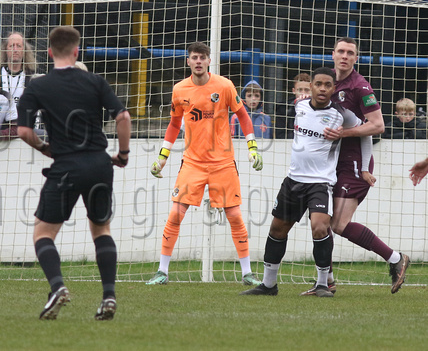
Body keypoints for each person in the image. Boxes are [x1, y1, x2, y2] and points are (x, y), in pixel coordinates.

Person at [17, 26, 131, 321]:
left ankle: (57, 287)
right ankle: (108, 296)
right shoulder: (95, 81)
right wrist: (123, 154)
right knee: (101, 230)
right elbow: (123, 117)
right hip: (98, 164)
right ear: (77, 51)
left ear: (49, 52)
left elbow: (24, 131)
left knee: (43, 232)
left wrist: (44, 148)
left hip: (65, 165)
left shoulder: (38, 86)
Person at [240, 67, 372, 297]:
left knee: (320, 227)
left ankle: (323, 284)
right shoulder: (298, 105)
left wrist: (363, 167)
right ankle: (268, 285)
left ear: (333, 89)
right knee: (278, 229)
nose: (322, 88)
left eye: (327, 85)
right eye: (318, 84)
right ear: (310, 86)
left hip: (321, 183)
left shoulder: (342, 113)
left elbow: (367, 132)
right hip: (294, 180)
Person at [146, 41, 264, 286]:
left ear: (209, 61)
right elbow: (174, 124)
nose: (198, 61)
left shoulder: (224, 86)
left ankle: (247, 273)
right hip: (193, 164)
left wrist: (252, 147)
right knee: (176, 213)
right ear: (188, 61)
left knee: (234, 215)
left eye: (202, 57)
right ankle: (162, 271)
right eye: (194, 57)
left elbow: (242, 115)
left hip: (223, 163)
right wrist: (162, 157)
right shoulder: (180, 90)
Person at [316, 37, 409, 295]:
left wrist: (345, 135)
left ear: (356, 58)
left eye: (350, 53)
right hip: (331, 162)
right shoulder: (327, 82)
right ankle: (326, 281)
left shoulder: (360, 87)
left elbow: (378, 126)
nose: (345, 56)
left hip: (355, 163)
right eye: (341, 51)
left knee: (338, 225)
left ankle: (394, 259)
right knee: (320, 219)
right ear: (333, 54)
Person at [274, 73, 311, 139]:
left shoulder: (318, 108)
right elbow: (280, 135)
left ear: (312, 91)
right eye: (300, 90)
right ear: (293, 91)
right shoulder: (283, 108)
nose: (303, 93)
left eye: (307, 90)